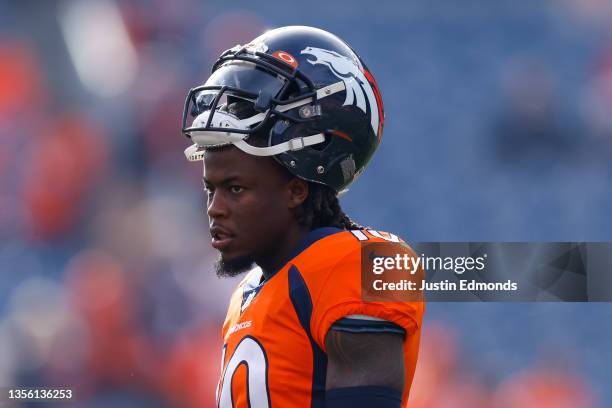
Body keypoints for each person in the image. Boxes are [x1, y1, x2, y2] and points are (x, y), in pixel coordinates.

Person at [180, 25, 424, 408]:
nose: (215, 208)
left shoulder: (359, 264)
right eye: (212, 189)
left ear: (297, 189)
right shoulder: (250, 292)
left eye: (236, 188)